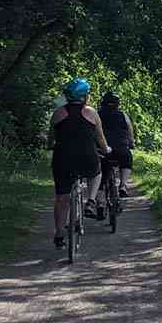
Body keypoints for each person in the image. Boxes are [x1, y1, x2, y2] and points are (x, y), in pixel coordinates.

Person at [49, 78, 110, 249]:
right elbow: (100, 138)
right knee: (96, 173)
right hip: (87, 157)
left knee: (62, 197)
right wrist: (106, 150)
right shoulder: (91, 113)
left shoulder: (58, 113)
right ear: (85, 96)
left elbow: (50, 137)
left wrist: (49, 145)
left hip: (63, 159)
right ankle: (90, 200)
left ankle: (59, 234)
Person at [96, 90, 136, 202]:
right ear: (117, 104)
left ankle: (99, 203)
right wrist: (131, 143)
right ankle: (123, 185)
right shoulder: (123, 115)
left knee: (100, 176)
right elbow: (129, 130)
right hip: (121, 148)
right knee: (127, 160)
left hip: (102, 150)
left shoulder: (97, 114)